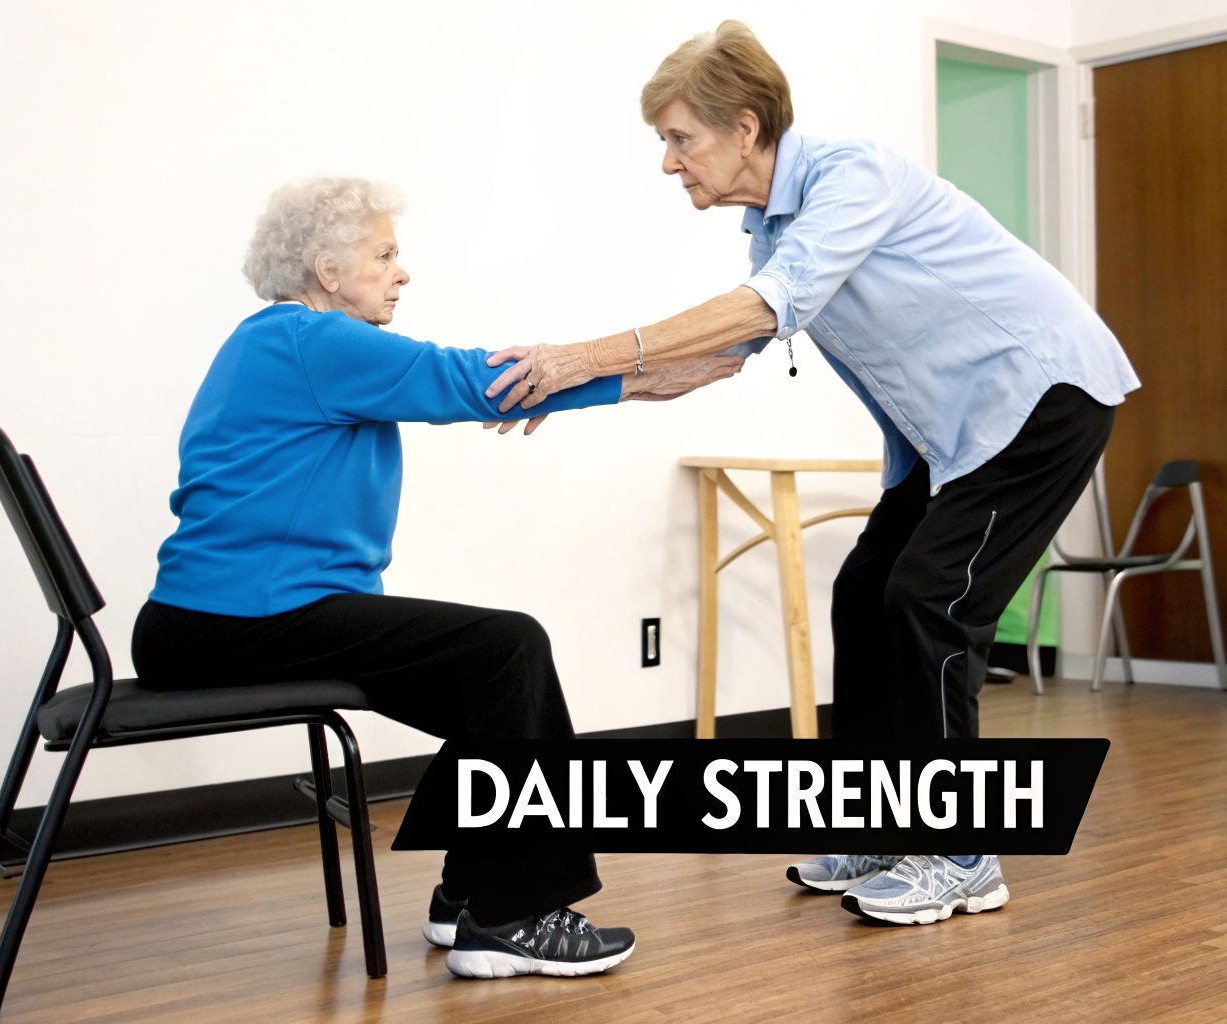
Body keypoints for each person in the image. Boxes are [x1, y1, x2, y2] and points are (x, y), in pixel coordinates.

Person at [484, 22, 1138, 925]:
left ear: (745, 128)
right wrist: (565, 389)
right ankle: (881, 825)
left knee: (930, 601)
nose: (670, 163)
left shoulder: (848, 174)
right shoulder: (772, 230)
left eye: (681, 139)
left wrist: (577, 353)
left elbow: (761, 308)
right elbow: (711, 360)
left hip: (1038, 395)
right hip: (956, 434)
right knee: (865, 592)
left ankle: (962, 855)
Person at [130, 177, 740, 976]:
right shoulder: (309, 342)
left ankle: (470, 898)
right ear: (326, 270)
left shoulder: (279, 344)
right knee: (506, 650)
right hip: (241, 620)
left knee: (489, 679)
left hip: (217, 622)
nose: (401, 272)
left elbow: (447, 387)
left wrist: (618, 384)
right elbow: (459, 378)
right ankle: (512, 912)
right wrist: (634, 380)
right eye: (383, 254)